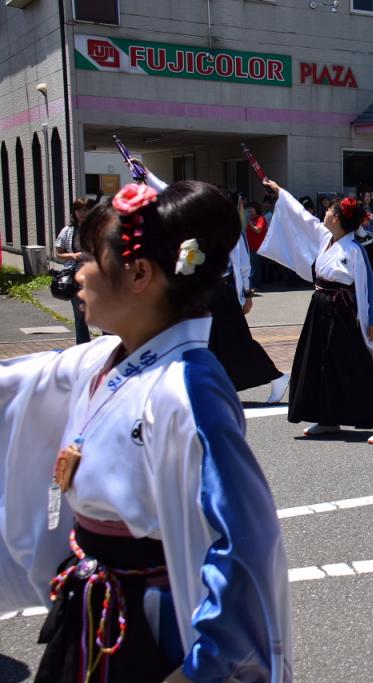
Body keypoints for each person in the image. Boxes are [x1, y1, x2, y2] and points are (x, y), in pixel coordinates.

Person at [0, 180, 292, 682]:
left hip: (145, 630)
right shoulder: (104, 357)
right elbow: (16, 386)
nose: (78, 275)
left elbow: (242, 542)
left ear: (138, 273)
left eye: (89, 258)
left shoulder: (187, 388)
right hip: (94, 608)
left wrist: (205, 668)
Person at [259, 180, 373, 444]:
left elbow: (367, 287)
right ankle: (327, 418)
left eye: (329, 211)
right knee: (317, 364)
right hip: (319, 309)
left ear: (337, 218)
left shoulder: (354, 250)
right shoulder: (327, 240)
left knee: (356, 365)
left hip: (343, 312)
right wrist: (280, 193)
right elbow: (303, 219)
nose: (323, 214)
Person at [140, 167, 290, 403]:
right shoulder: (198, 227)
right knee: (207, 343)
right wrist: (147, 176)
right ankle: (205, 387)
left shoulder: (228, 230)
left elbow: (242, 264)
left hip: (221, 292)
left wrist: (247, 293)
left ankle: (276, 376)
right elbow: (172, 196)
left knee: (236, 342)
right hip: (204, 291)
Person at [55, 197, 94, 344]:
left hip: (96, 277)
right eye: (79, 210)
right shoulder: (67, 231)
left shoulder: (98, 228)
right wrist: (72, 255)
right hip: (75, 278)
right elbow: (58, 253)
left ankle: (108, 348)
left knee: (104, 313)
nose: (82, 213)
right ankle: (83, 349)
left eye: (85, 209)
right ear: (74, 212)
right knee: (80, 317)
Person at [246, 201, 269, 290]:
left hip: (257, 248)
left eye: (251, 208)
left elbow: (258, 230)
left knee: (255, 268)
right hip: (250, 248)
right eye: (249, 209)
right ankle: (254, 285)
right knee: (252, 267)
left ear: (256, 209)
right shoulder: (251, 220)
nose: (249, 211)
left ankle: (257, 286)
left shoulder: (261, 219)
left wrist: (250, 223)